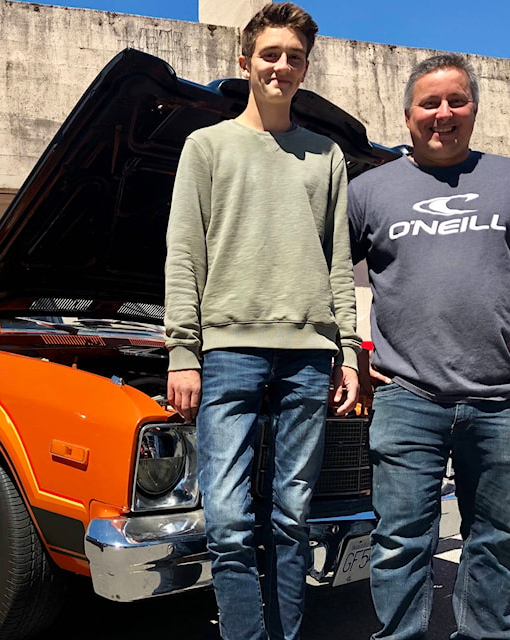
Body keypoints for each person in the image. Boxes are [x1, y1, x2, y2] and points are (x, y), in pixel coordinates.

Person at [348, 53, 510, 640]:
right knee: (399, 541)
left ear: (474, 109)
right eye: (429, 103)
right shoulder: (369, 191)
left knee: (493, 538)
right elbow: (325, 273)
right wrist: (347, 353)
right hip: (405, 397)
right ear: (407, 113)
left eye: (456, 101)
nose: (443, 114)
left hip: (500, 398)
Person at [163, 4, 361, 639]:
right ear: (244, 62)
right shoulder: (207, 146)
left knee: (291, 517)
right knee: (227, 521)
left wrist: (349, 352)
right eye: (269, 54)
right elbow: (184, 253)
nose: (281, 66)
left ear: (305, 68)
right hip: (228, 356)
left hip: (309, 357)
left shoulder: (326, 155)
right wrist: (181, 352)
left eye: (294, 57)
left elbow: (338, 263)